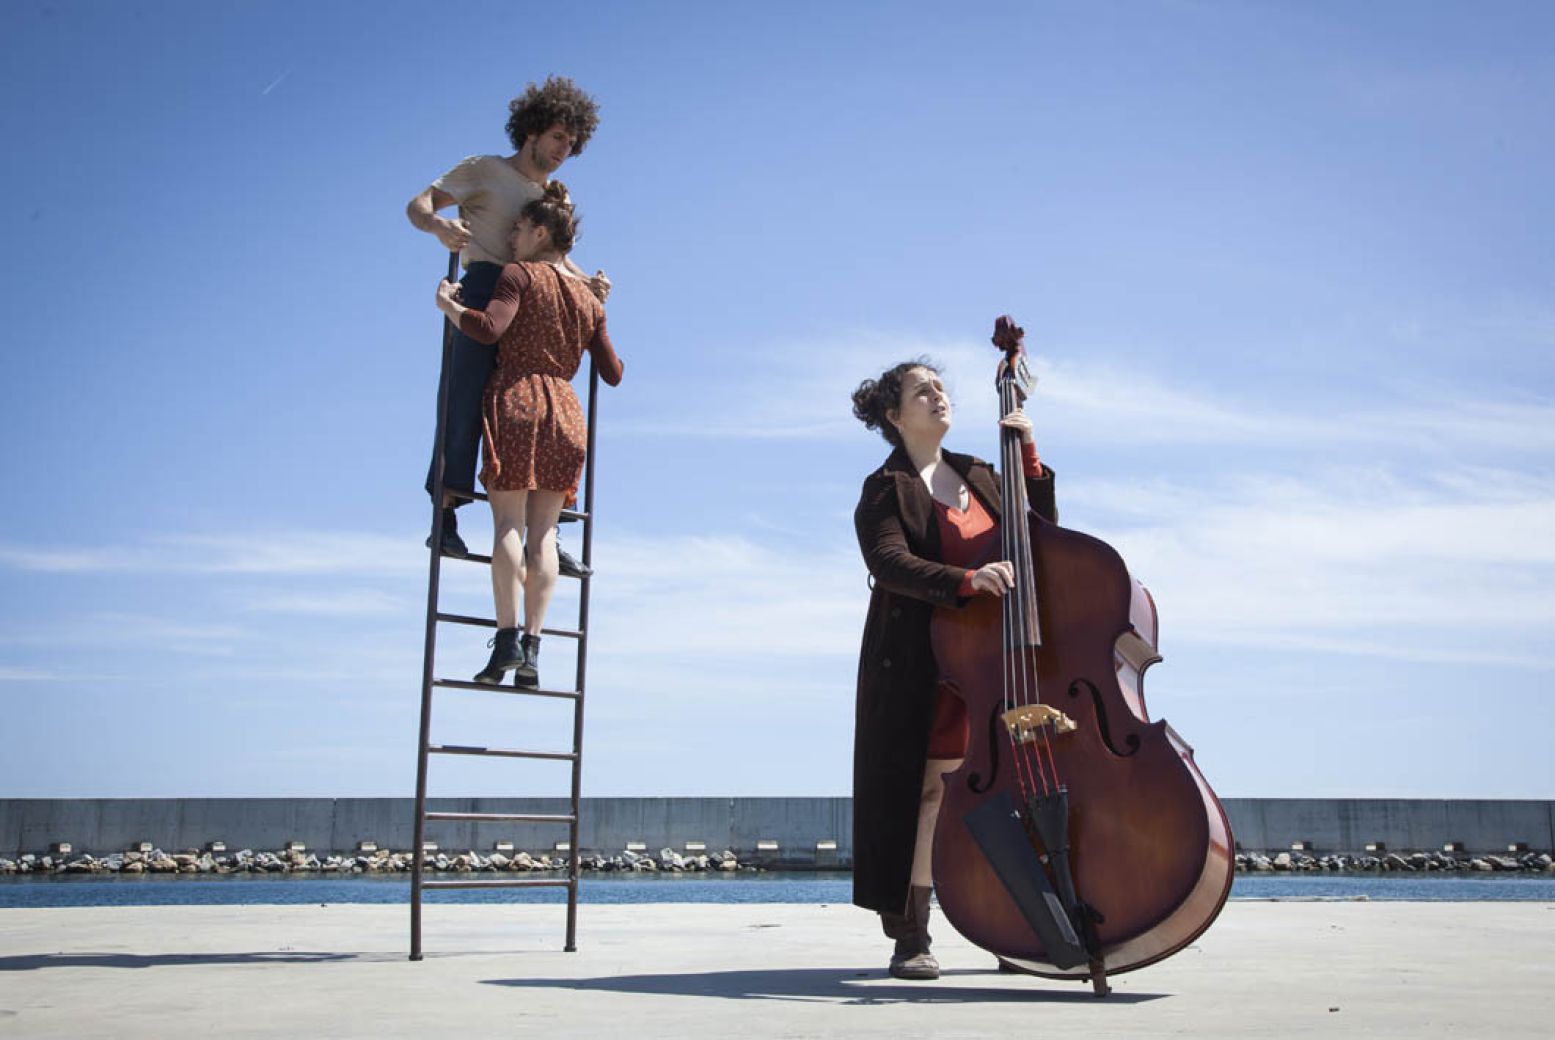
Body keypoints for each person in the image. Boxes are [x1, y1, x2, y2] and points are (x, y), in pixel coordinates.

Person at [849, 347, 1056, 980]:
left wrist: (1030, 458)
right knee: (929, 797)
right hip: (921, 664)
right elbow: (887, 564)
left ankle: (1015, 929)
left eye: (941, 388)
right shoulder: (885, 488)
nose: (939, 396)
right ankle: (912, 934)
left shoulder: (983, 475)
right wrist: (967, 579)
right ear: (894, 415)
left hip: (994, 667)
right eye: (922, 391)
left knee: (1006, 794)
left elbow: (1041, 536)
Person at [407, 75, 608, 576]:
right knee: (464, 398)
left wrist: (590, 284)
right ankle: (447, 515)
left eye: (572, 143)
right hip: (485, 285)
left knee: (542, 409)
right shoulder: (484, 169)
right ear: (533, 130)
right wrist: (439, 226)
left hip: (535, 297)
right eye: (559, 137)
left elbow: (558, 258)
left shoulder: (553, 196)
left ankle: (549, 529)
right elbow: (419, 205)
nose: (565, 149)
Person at [433, 185, 623, 689]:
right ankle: (535, 650)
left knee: (508, 527)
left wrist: (449, 307)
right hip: (565, 412)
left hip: (517, 399)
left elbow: (490, 328)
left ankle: (507, 638)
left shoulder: (519, 274)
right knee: (544, 534)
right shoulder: (587, 299)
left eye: (518, 229)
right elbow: (613, 372)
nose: (512, 238)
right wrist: (597, 312)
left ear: (540, 232)